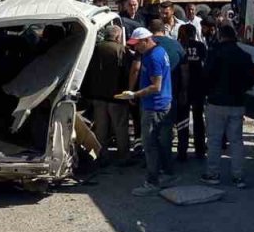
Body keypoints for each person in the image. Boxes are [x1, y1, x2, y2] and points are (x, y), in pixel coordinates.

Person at [120, 27, 176, 196]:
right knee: (163, 142)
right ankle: (167, 174)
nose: (135, 48)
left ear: (145, 40)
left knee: (150, 144)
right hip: (163, 103)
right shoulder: (158, 51)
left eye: (137, 44)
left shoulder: (153, 57)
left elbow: (156, 86)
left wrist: (134, 94)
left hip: (154, 106)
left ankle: (152, 181)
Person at [201, 25, 254, 189]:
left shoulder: (215, 54)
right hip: (237, 102)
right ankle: (238, 177)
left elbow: (206, 76)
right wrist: (242, 90)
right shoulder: (244, 55)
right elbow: (253, 78)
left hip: (216, 102)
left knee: (214, 140)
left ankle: (213, 174)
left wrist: (208, 92)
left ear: (221, 36)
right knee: (236, 141)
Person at [84, 25, 132, 166]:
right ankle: (123, 156)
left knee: (101, 128)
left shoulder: (95, 49)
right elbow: (128, 72)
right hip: (117, 96)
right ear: (118, 37)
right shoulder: (122, 50)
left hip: (98, 96)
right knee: (120, 127)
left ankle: (101, 156)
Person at [175, 23, 208, 161]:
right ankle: (200, 149)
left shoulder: (178, 46)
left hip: (182, 87)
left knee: (182, 119)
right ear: (194, 33)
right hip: (198, 87)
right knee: (198, 118)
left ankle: (182, 151)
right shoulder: (200, 46)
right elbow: (205, 65)